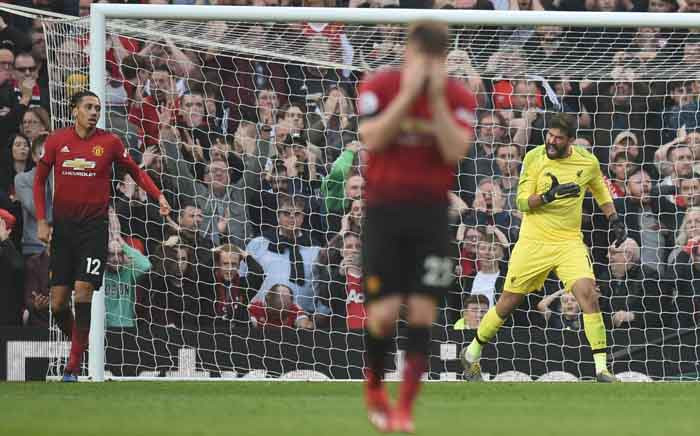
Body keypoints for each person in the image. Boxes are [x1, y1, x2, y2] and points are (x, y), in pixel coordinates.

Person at [357, 20, 476, 432]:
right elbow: (371, 138)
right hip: (384, 213)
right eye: (420, 55)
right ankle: (374, 387)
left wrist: (437, 99)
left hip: (430, 216)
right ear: (407, 51)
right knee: (384, 314)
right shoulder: (381, 85)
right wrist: (409, 95)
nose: (425, 64)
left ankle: (405, 408)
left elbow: (455, 149)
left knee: (424, 312)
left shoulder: (458, 95)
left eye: (434, 58)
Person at [460, 113, 625, 383]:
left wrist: (614, 218)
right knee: (507, 303)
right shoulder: (534, 157)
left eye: (559, 138)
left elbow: (599, 189)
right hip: (533, 242)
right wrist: (550, 195)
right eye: (550, 135)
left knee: (588, 294)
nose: (551, 140)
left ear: (571, 140)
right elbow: (522, 202)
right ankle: (471, 353)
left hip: (569, 242)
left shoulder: (587, 161)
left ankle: (601, 369)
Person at [33, 90, 170, 382]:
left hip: (94, 229)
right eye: (88, 107)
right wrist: (42, 221)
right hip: (64, 229)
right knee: (57, 303)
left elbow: (134, 171)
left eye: (97, 107)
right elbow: (39, 180)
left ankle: (73, 363)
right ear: (74, 110)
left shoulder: (109, 143)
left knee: (83, 290)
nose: (94, 112)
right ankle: (79, 345)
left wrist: (158, 196)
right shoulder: (58, 140)